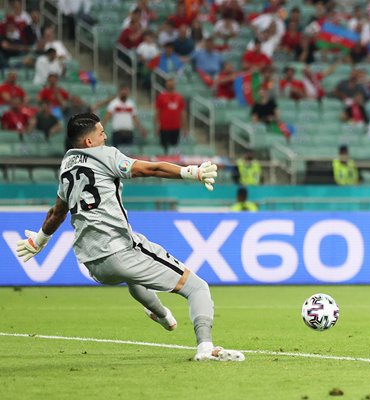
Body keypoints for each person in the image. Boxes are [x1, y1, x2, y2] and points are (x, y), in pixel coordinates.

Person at [15, 113, 244, 362]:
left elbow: (57, 212)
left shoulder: (66, 167)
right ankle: (206, 348)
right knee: (197, 287)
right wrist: (191, 172)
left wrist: (38, 240)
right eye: (101, 132)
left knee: (135, 270)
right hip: (119, 249)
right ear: (89, 142)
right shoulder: (105, 154)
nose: (105, 135)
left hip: (92, 263)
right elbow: (150, 168)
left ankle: (161, 314)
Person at [155, 77, 187, 151]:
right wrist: (157, 126)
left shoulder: (179, 97)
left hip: (176, 127)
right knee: (164, 149)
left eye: (172, 84)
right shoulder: (161, 97)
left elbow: (183, 113)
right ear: (166, 85)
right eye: (169, 84)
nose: (170, 86)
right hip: (164, 128)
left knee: (174, 149)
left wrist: (185, 128)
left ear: (174, 85)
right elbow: (157, 112)